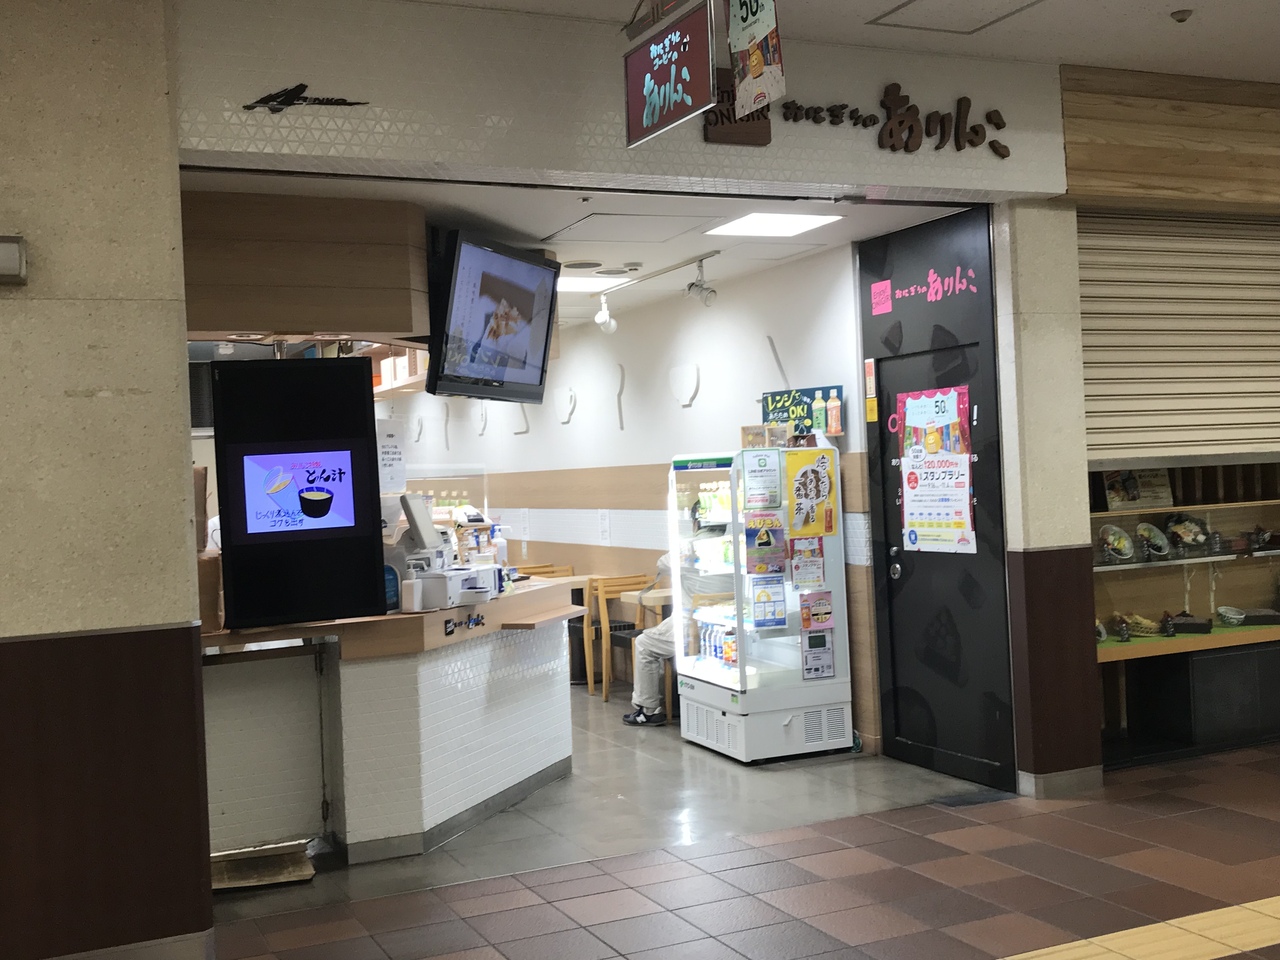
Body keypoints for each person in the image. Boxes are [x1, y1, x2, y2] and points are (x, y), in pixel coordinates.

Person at [621, 613, 676, 726]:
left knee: (644, 643)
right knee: (656, 643)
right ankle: (668, 703)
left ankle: (649, 710)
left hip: (689, 627)